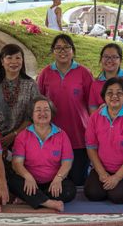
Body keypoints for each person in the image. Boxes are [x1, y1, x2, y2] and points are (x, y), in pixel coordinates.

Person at [37, 34, 93, 185]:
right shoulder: (45, 73)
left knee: (78, 180)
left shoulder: (84, 73)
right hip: (51, 136)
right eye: (58, 48)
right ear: (53, 51)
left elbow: (91, 105)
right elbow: (38, 103)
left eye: (67, 47)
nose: (63, 51)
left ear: (73, 51)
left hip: (78, 136)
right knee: (52, 179)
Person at [9, 96, 75, 212]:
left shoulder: (61, 135)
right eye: (38, 110)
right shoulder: (23, 136)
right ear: (32, 114)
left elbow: (67, 163)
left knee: (69, 191)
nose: (42, 113)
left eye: (46, 110)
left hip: (52, 182)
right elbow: (17, 163)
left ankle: (30, 199)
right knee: (12, 181)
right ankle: (49, 203)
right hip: (29, 181)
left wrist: (58, 178)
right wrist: (28, 177)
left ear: (51, 113)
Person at [84, 78, 123, 204]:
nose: (114, 96)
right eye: (109, 93)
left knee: (118, 196)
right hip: (104, 167)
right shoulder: (95, 117)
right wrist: (101, 173)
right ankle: (109, 182)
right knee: (93, 194)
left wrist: (117, 178)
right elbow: (91, 147)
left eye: (119, 93)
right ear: (104, 96)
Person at [0, 44, 40, 151]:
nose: (14, 62)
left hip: (25, 139)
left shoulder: (31, 85)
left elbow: (33, 116)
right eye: (9, 58)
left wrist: (15, 134)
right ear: (2, 61)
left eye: (18, 58)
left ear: (22, 61)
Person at [88, 43, 123, 113]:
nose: (110, 60)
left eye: (114, 57)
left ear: (120, 60)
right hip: (105, 124)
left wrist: (110, 110)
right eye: (106, 56)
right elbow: (93, 112)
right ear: (101, 59)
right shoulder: (95, 84)